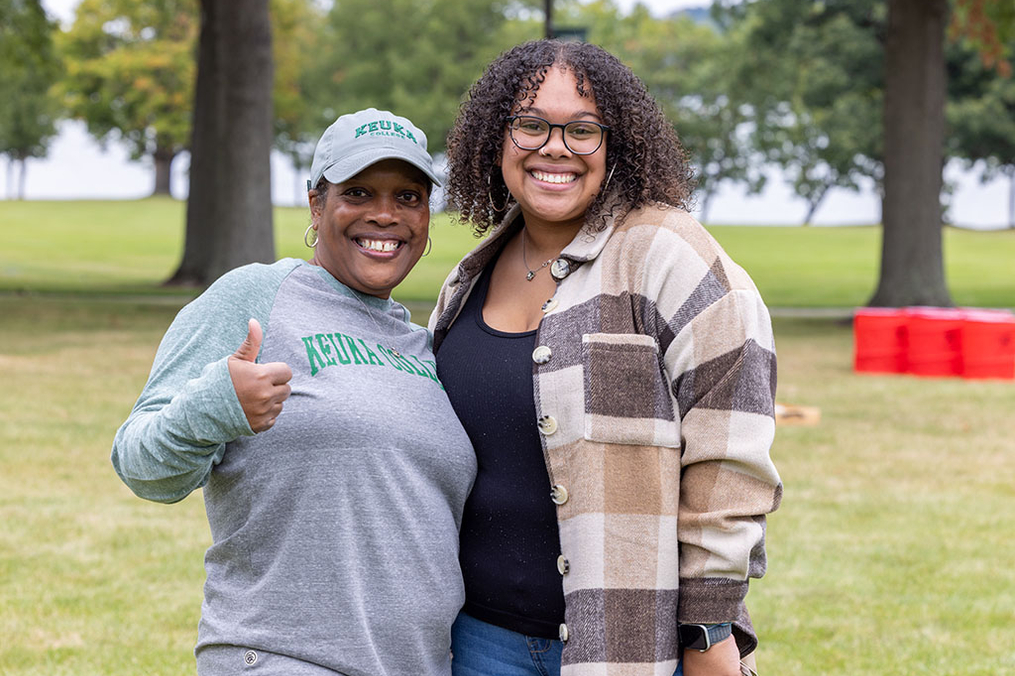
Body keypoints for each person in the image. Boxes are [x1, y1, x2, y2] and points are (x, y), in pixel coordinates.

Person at [430, 40, 782, 676]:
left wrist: (709, 628)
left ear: (615, 144)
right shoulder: (465, 281)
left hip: (629, 646)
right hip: (474, 641)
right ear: (495, 139)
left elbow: (731, 456)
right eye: (530, 124)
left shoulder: (665, 255)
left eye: (582, 130)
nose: (553, 147)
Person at [111, 108, 477, 676]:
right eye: (358, 192)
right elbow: (141, 466)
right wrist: (215, 406)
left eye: (408, 197)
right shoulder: (256, 295)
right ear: (316, 204)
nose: (385, 215)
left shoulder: (422, 345)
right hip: (282, 657)